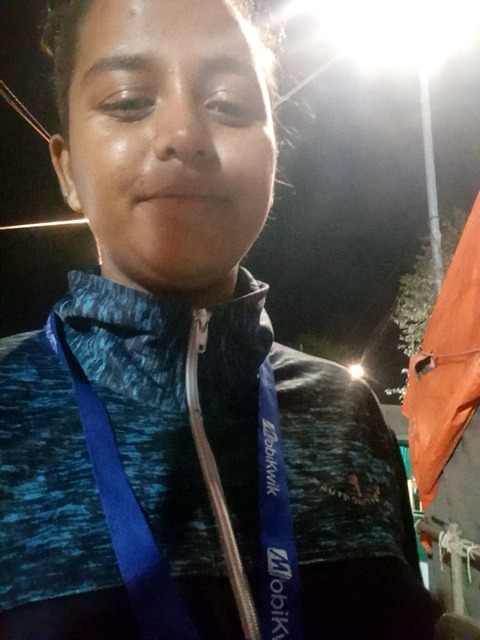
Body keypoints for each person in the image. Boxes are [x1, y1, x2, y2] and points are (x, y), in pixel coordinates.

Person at [0, 1, 437, 638]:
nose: (184, 133)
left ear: (274, 152)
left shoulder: (345, 412)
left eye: (229, 104)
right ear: (66, 169)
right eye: (128, 100)